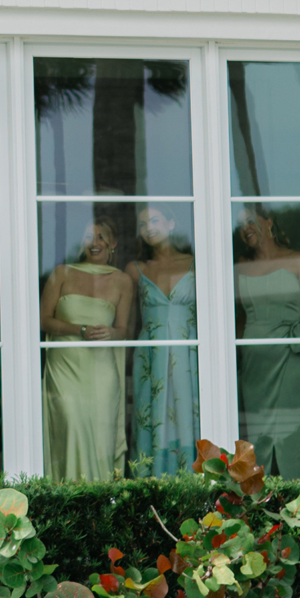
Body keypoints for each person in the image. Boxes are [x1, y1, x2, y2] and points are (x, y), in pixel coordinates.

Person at [234, 205, 300, 478]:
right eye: (240, 225)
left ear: (269, 222)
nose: (246, 227)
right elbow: (237, 322)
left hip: (294, 359)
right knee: (259, 435)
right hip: (255, 366)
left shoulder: (298, 260)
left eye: (251, 220)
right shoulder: (240, 267)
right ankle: (260, 503)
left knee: (295, 431)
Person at [41, 219, 134, 480]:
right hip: (66, 367)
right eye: (89, 237)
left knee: (101, 435)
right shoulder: (62, 273)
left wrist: (111, 332)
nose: (95, 243)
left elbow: (124, 329)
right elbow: (43, 320)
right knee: (70, 425)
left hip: (102, 369)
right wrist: (79, 330)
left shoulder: (123, 281)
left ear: (113, 243)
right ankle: (67, 498)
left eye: (102, 237)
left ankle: (101, 504)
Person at [126, 205, 198, 476]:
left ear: (171, 223)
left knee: (187, 412)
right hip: (151, 354)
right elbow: (130, 324)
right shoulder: (136, 269)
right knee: (152, 414)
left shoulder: (195, 262)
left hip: (188, 351)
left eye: (154, 221)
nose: (149, 229)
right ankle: (150, 479)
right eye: (142, 225)